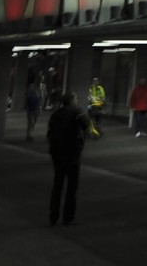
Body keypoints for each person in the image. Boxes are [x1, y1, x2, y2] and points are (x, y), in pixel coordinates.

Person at [45, 92, 90, 225]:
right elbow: (85, 125)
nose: (77, 100)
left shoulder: (56, 114)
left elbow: (50, 133)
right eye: (76, 98)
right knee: (71, 186)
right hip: (72, 153)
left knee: (57, 185)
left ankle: (53, 215)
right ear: (71, 100)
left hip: (57, 153)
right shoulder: (77, 111)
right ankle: (68, 217)